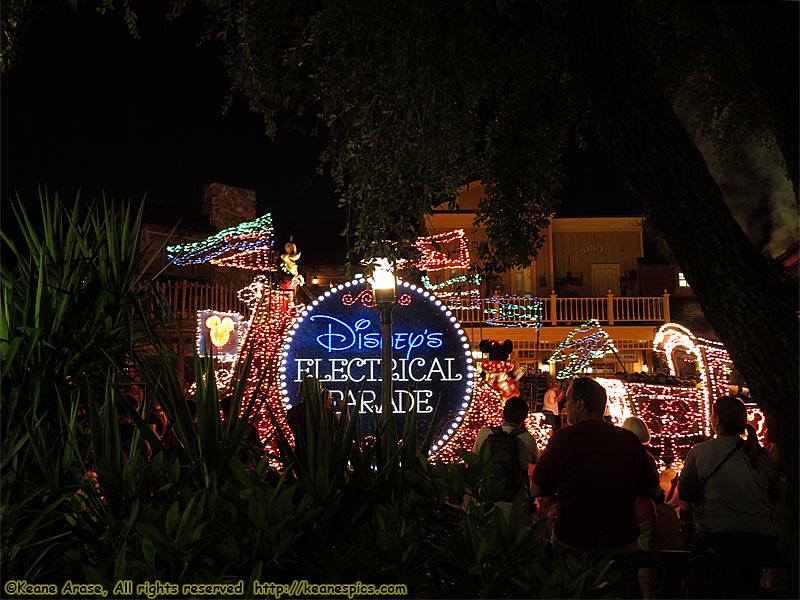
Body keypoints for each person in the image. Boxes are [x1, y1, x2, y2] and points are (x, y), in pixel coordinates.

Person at [532, 377, 660, 597]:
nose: (566, 407)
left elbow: (536, 489)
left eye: (569, 402)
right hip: (621, 543)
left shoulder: (562, 440)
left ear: (580, 405)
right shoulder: (628, 440)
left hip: (574, 545)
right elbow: (652, 490)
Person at [677, 395, 779, 599]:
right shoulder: (760, 454)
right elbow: (774, 495)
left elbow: (685, 493)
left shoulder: (700, 452)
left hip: (716, 537)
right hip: (758, 539)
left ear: (716, 421)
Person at [473, 396, 540, 521]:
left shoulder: (484, 433)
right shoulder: (527, 439)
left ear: (503, 413)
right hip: (515, 499)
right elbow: (536, 461)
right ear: (524, 417)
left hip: (487, 496)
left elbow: (475, 458)